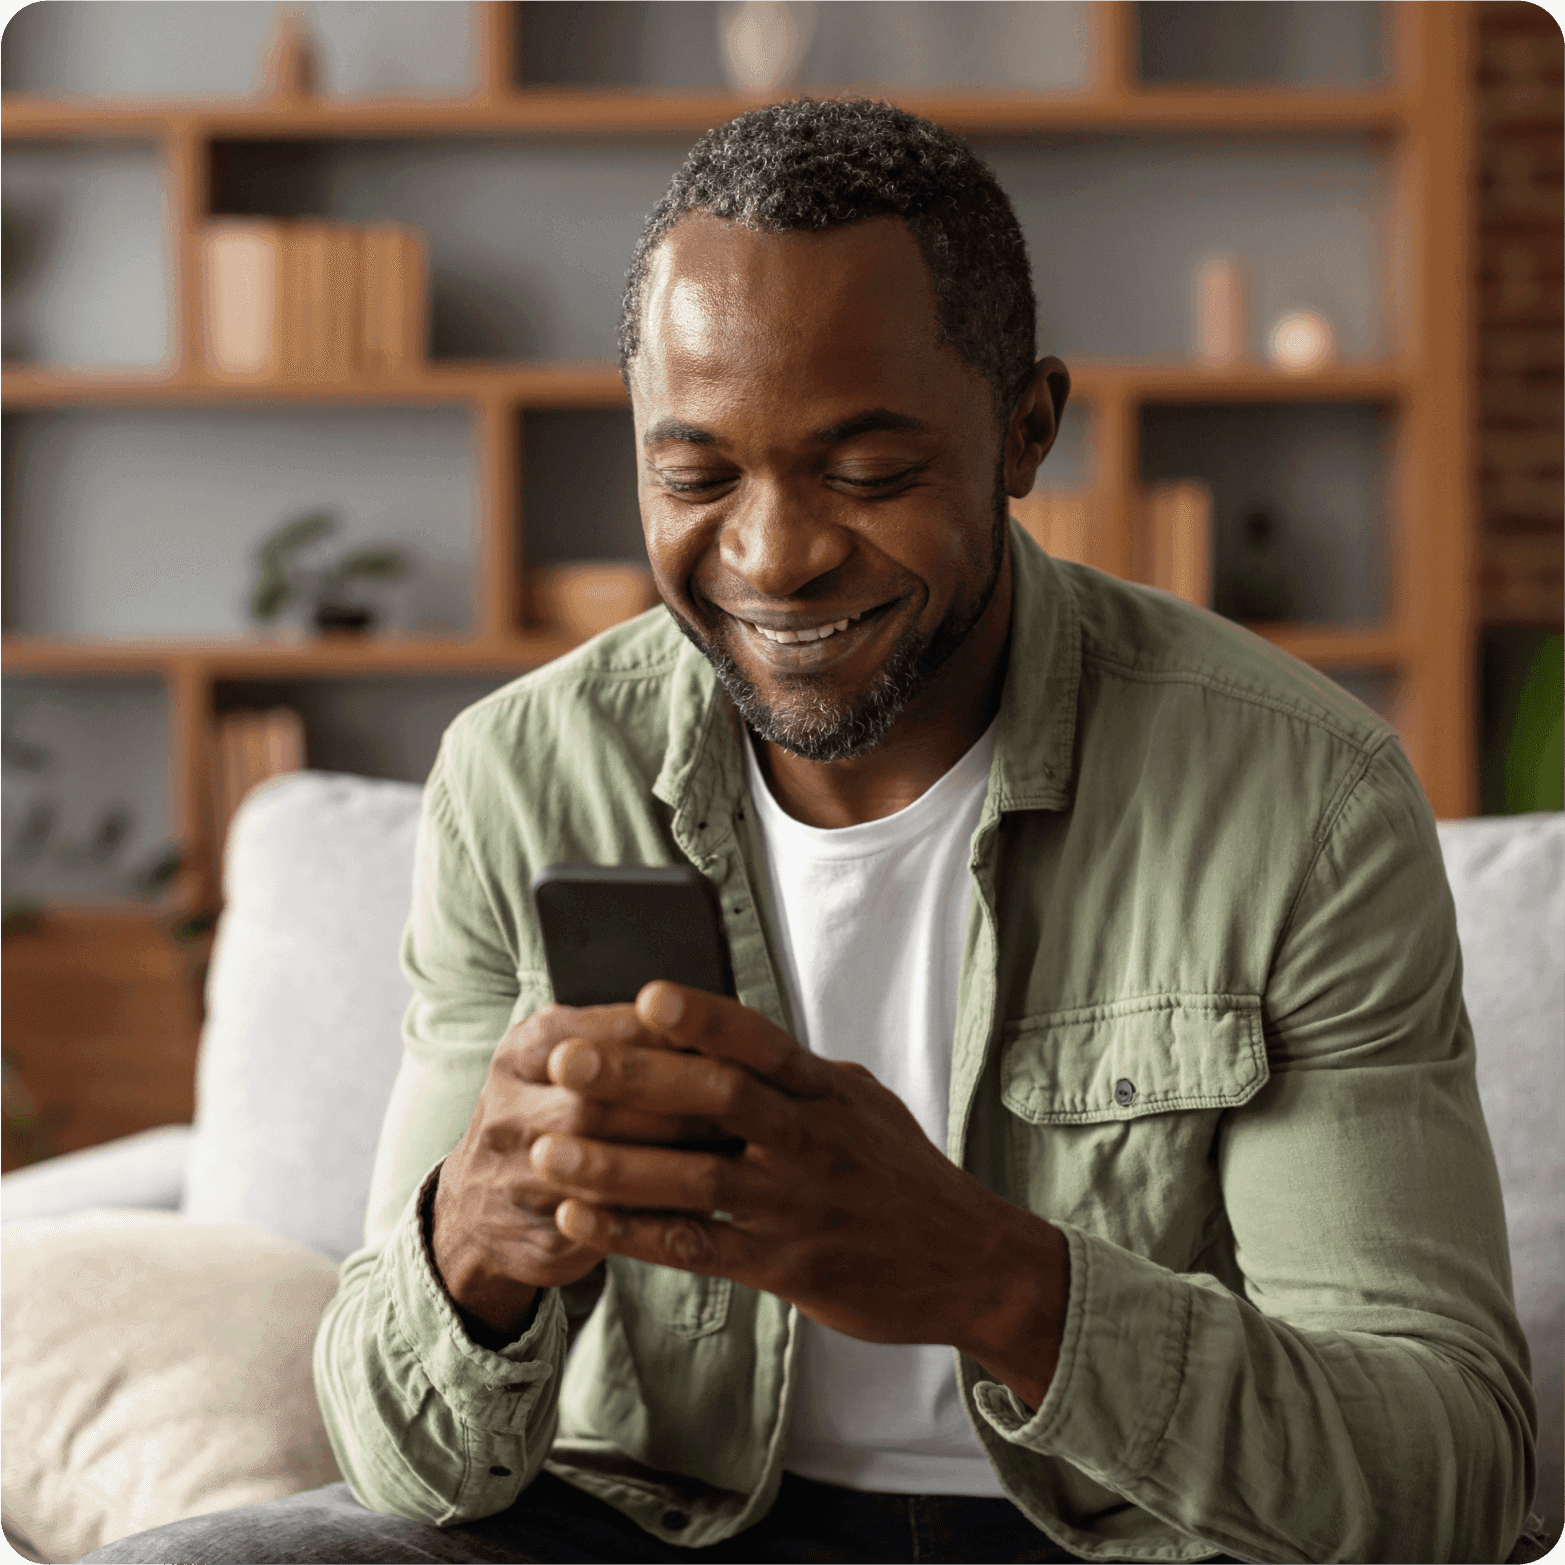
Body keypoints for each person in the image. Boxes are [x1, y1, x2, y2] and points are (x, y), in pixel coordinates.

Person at [83, 97, 1534, 1565]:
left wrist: (996, 1283)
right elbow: (406, 1471)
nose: (772, 556)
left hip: (1125, 1535)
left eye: (867, 472)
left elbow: (1447, 1477)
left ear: (1027, 431)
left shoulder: (1301, 795)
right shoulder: (522, 772)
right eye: (696, 474)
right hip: (651, 1523)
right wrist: (472, 1251)